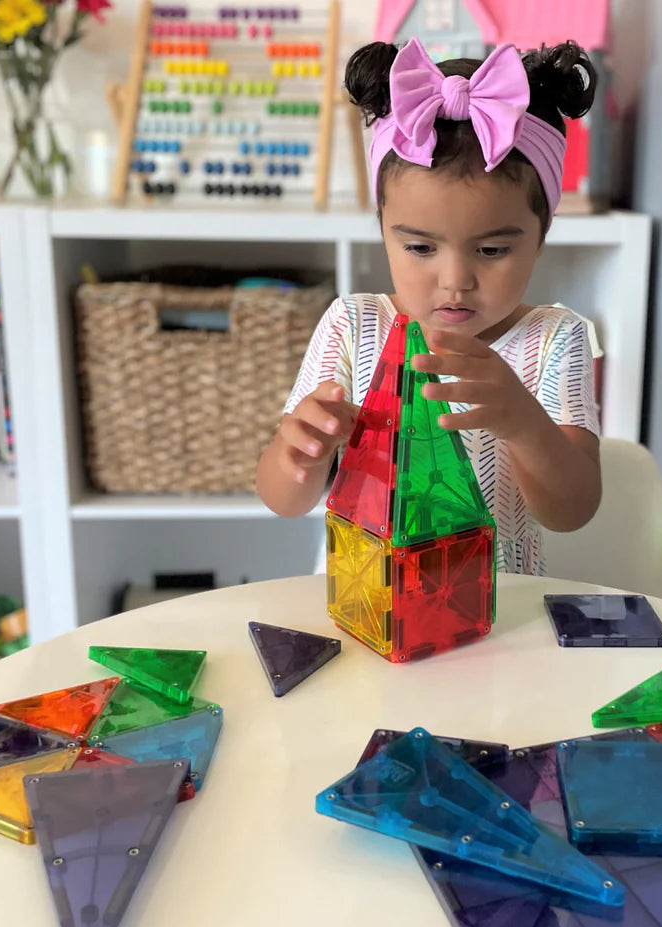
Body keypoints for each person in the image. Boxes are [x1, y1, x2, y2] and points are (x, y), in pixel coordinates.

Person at [256, 36, 602, 574]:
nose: (455, 281)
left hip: (499, 610)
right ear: (384, 232)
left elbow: (571, 511)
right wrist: (296, 452)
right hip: (367, 602)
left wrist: (524, 423)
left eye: (492, 250)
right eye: (420, 248)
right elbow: (284, 500)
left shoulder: (554, 339)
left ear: (541, 235)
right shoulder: (354, 324)